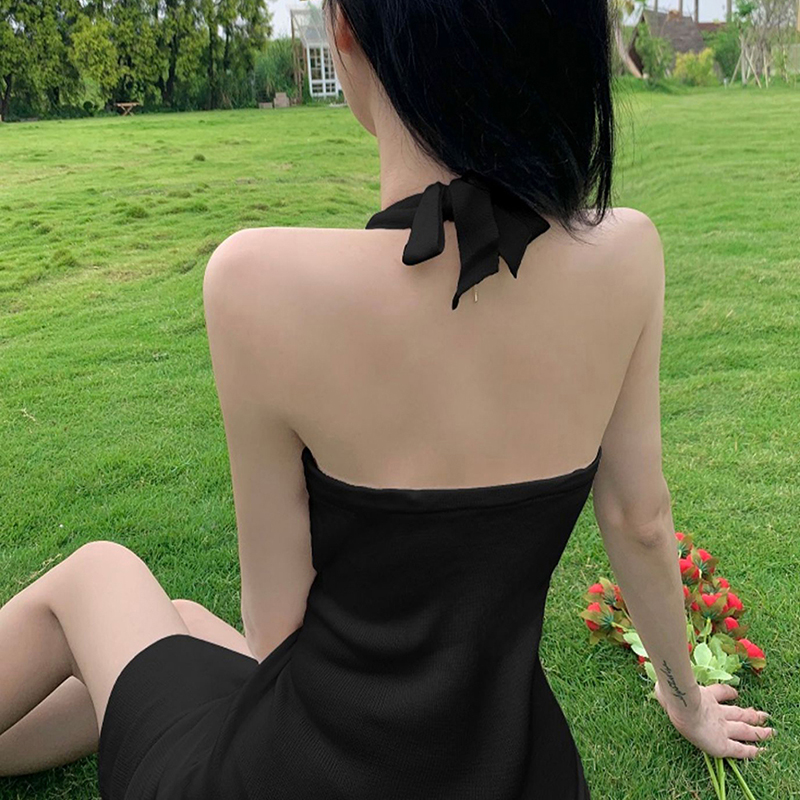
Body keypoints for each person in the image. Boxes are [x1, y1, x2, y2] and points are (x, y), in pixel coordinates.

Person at [0, 1, 774, 797]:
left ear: (346, 29)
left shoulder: (257, 281)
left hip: (300, 775)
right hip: (512, 769)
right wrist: (686, 702)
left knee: (98, 578)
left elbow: (275, 632)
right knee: (184, 622)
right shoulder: (628, 256)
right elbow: (640, 521)